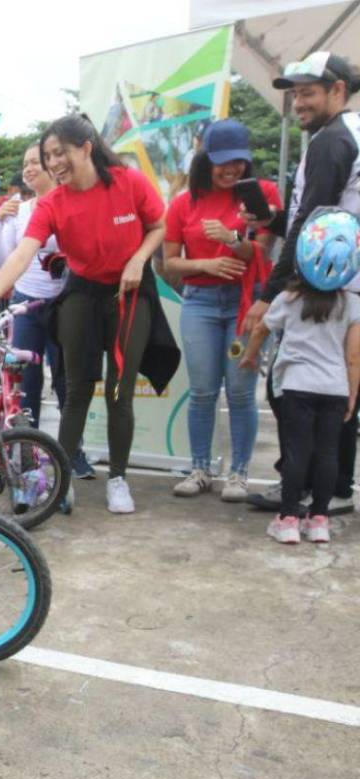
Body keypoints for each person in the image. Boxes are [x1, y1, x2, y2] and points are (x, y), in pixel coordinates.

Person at [0, 115, 180, 514]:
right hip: (82, 292)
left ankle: (118, 479)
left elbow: (158, 226)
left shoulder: (128, 181)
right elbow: (23, 253)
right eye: (47, 156)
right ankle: (63, 482)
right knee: (77, 387)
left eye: (59, 153)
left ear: (86, 148)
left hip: (130, 292)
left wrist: (138, 260)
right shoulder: (53, 202)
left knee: (119, 391)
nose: (53, 163)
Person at [244, 51, 360, 515]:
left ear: (338, 90)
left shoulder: (331, 141)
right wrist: (273, 218)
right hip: (342, 283)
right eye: (295, 95)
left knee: (293, 388)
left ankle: (311, 488)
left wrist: (269, 294)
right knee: (335, 391)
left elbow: (313, 222)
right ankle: (328, 487)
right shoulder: (346, 134)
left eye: (308, 93)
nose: (299, 104)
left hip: (327, 287)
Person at [163, 119, 282, 501]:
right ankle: (200, 469)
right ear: (206, 159)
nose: (232, 169)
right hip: (199, 302)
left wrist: (232, 239)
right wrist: (205, 264)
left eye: (239, 161)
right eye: (223, 162)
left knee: (241, 391)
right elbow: (170, 263)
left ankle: (239, 474)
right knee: (202, 391)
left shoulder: (262, 193)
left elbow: (261, 252)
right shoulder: (183, 203)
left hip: (246, 305)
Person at [240, 207, 360, 544]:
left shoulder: (288, 298)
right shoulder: (352, 304)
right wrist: (352, 393)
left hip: (296, 387)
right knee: (327, 454)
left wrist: (250, 356)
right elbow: (354, 356)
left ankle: (288, 518)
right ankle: (319, 520)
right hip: (335, 389)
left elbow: (261, 329)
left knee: (297, 452)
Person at [0, 143, 96, 479]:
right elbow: (3, 261)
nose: (29, 168)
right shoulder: (19, 210)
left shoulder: (71, 203)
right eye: (26, 163)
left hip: (65, 303)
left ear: (53, 166)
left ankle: (72, 454)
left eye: (36, 161)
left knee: (67, 382)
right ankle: (27, 455)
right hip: (26, 303)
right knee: (26, 383)